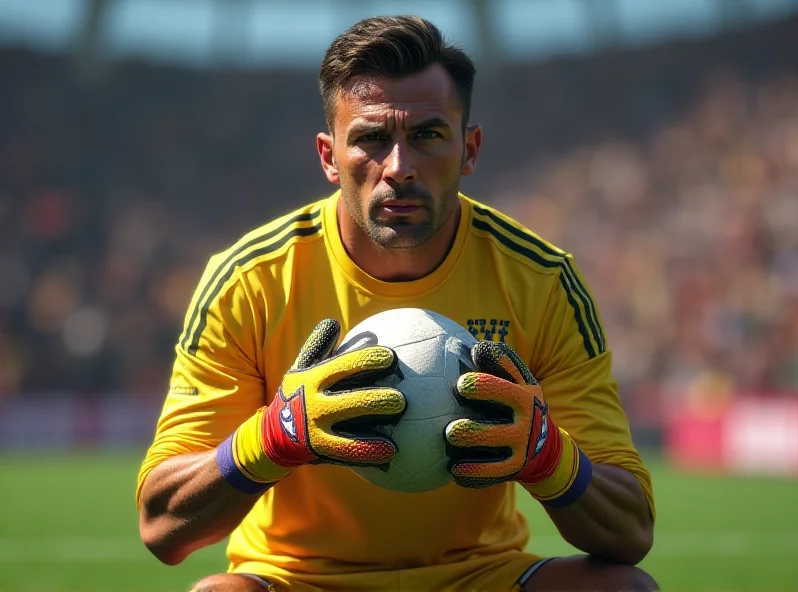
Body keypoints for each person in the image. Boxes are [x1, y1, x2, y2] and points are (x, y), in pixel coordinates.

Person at [137, 15, 657, 592]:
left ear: (470, 149)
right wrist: (274, 438)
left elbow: (631, 532)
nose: (399, 168)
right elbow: (162, 526)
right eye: (370, 138)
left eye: (429, 135)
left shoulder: (542, 279)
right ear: (329, 156)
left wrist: (547, 455)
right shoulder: (249, 281)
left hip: (479, 575)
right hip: (297, 579)